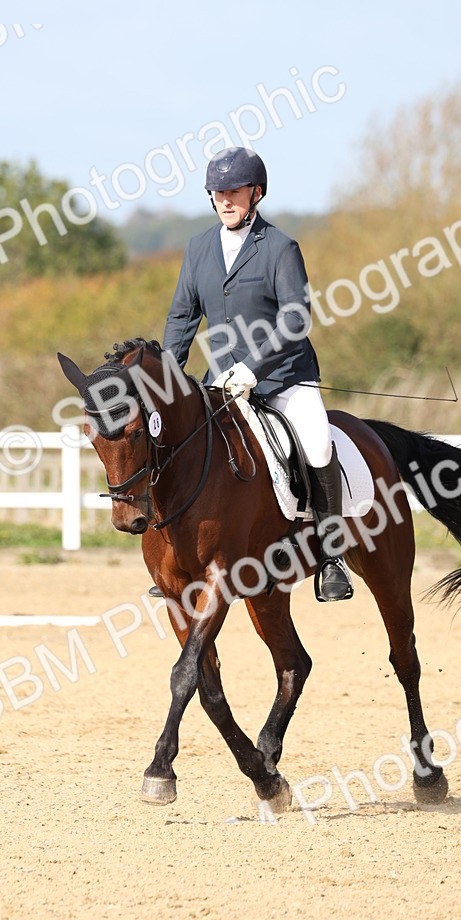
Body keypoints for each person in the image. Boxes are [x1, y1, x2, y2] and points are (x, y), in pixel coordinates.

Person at [156, 145, 352, 602]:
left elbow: (295, 318)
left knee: (318, 444)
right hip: (220, 381)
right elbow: (183, 317)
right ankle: (178, 555)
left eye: (235, 191)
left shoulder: (281, 247)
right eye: (218, 192)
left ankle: (331, 557)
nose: (226, 200)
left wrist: (253, 366)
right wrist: (166, 376)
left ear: (256, 193)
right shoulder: (199, 248)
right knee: (177, 444)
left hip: (282, 375)